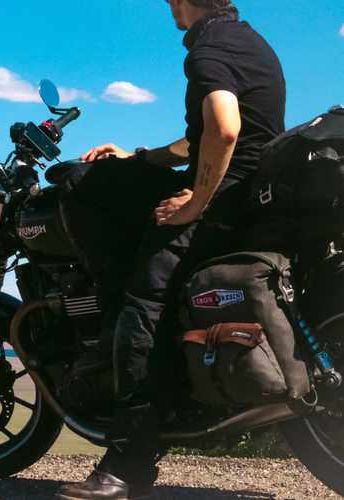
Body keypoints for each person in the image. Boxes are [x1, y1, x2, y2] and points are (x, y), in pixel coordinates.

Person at [55, 1, 286, 499]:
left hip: (227, 198)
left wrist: (194, 203)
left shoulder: (209, 49)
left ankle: (130, 463)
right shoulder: (247, 40)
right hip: (249, 194)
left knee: (143, 305)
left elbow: (225, 128)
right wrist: (137, 158)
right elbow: (196, 140)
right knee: (97, 177)